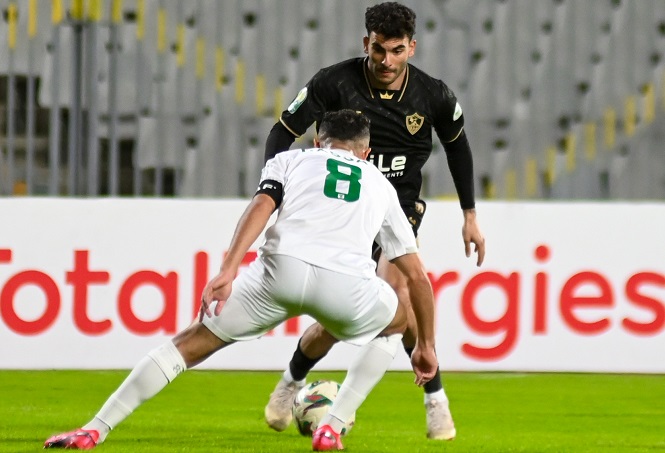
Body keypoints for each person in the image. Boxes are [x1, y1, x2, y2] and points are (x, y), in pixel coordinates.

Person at [43, 110, 439, 451]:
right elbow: (417, 277)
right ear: (367, 153)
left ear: (319, 142)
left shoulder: (292, 160)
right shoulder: (382, 186)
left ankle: (94, 429)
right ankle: (332, 428)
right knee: (396, 321)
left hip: (280, 271)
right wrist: (425, 346)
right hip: (346, 285)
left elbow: (262, 205)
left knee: (188, 344)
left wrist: (229, 268)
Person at [263, 1, 486, 441]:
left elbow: (458, 148)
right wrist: (272, 192)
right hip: (342, 211)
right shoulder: (334, 82)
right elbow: (282, 131)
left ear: (412, 48)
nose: (387, 61)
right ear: (366, 43)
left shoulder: (433, 96)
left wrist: (470, 215)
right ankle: (291, 382)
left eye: (397, 51)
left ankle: (431, 400)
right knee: (338, 320)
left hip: (397, 209)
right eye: (379, 50)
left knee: (398, 300)